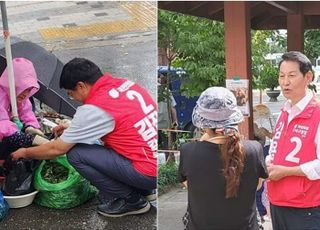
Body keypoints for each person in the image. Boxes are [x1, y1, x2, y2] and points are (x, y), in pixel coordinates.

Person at [11, 58, 157, 217]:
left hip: (146, 171)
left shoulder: (94, 107)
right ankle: (144, 190)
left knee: (77, 154)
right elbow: (120, 120)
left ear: (81, 85)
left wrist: (25, 152)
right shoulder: (124, 85)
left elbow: (56, 149)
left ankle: (131, 200)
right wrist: (73, 126)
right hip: (154, 162)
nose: (73, 98)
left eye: (71, 94)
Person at [178, 86, 268, 230]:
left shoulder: (189, 152)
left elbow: (191, 185)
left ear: (202, 122)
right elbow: (256, 185)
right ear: (234, 119)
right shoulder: (254, 149)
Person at [266, 51, 320, 230]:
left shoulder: (317, 114)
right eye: (281, 76)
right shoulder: (284, 111)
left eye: (291, 75)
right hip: (277, 202)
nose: (285, 82)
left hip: (306, 208)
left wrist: (287, 171)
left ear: (308, 77)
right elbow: (276, 149)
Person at [0, 57, 47, 160]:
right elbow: (2, 124)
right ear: (13, 83)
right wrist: (30, 139)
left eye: (29, 89)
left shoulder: (19, 97)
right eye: (23, 88)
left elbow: (27, 112)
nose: (26, 93)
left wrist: (31, 126)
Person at [158, 73, 178, 157]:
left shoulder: (149, 90)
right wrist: (175, 121)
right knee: (167, 144)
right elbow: (172, 108)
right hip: (165, 123)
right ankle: (168, 160)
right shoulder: (167, 91)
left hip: (153, 123)